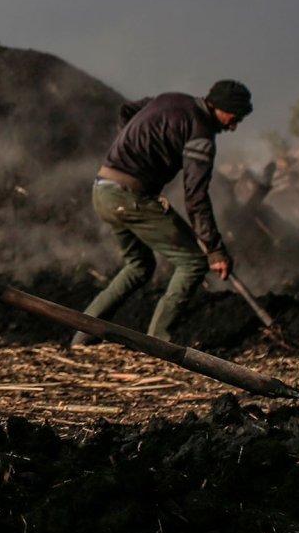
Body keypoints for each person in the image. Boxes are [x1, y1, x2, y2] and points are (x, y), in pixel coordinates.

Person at [74, 80, 253, 344]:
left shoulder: (169, 99)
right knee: (193, 262)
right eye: (233, 118)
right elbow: (196, 197)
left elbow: (127, 111)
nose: (233, 126)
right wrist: (215, 251)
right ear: (218, 107)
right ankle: (158, 342)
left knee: (139, 267)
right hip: (129, 197)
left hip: (103, 190)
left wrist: (132, 150)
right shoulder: (201, 135)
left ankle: (81, 339)